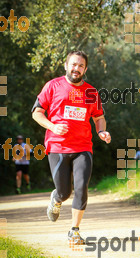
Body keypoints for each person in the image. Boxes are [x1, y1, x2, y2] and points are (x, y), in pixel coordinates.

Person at [32, 50, 111, 245]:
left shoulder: (91, 92)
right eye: (73, 64)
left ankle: (74, 231)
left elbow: (99, 117)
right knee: (64, 192)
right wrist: (53, 126)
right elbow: (37, 112)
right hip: (57, 147)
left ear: (85, 69)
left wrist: (101, 132)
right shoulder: (53, 86)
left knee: (82, 187)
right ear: (66, 65)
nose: (77, 68)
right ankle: (56, 198)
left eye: (81, 66)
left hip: (83, 146)